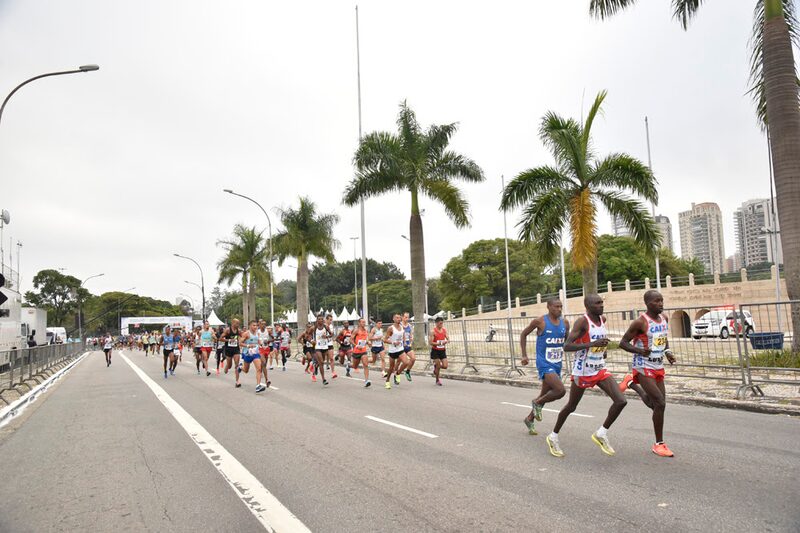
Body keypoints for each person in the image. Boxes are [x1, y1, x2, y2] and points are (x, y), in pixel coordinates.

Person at [546, 294, 627, 458]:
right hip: (582, 372)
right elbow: (567, 346)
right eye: (597, 303)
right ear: (588, 306)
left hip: (599, 369)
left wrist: (602, 350)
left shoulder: (602, 319)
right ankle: (553, 436)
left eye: (601, 303)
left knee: (621, 401)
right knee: (571, 407)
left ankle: (601, 433)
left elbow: (598, 343)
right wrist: (592, 344)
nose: (601, 306)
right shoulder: (582, 322)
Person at [618, 290, 676, 458]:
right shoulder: (640, 323)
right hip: (643, 366)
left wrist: (668, 352)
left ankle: (631, 384)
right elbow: (623, 343)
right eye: (657, 301)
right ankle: (659, 444)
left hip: (658, 365)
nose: (660, 303)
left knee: (655, 404)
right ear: (648, 303)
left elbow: (663, 338)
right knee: (660, 403)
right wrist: (640, 350)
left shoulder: (664, 318)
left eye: (662, 300)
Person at [519, 298, 570, 436]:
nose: (559, 309)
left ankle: (529, 419)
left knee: (545, 394)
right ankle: (536, 403)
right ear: (548, 307)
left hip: (557, 363)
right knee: (560, 390)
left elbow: (567, 343)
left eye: (560, 307)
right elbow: (523, 334)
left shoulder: (565, 323)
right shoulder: (540, 321)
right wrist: (524, 355)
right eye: (556, 307)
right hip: (544, 363)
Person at [239, 320, 268, 392]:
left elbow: (258, 341)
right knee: (246, 370)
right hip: (247, 354)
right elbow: (240, 343)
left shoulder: (257, 333)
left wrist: (262, 345)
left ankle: (258, 386)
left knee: (259, 368)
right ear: (250, 326)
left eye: (256, 325)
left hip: (255, 353)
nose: (255, 327)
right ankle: (240, 367)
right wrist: (248, 345)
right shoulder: (246, 334)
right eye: (253, 325)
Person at [383, 314, 408, 389]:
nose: (399, 319)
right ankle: (387, 381)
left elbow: (402, 334)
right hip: (393, 350)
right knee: (391, 368)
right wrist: (393, 342)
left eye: (400, 318)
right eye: (397, 318)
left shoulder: (401, 327)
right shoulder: (391, 328)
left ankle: (397, 373)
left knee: (406, 362)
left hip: (400, 348)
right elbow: (385, 340)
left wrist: (404, 341)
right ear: (393, 319)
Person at [428, 317, 449, 386]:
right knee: (438, 365)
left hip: (442, 350)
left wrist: (447, 340)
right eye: (440, 323)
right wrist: (439, 343)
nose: (441, 325)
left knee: (445, 366)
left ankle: (435, 367)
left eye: (442, 323)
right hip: (435, 351)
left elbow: (447, 337)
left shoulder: (444, 330)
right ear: (436, 323)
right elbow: (430, 342)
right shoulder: (433, 331)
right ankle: (437, 380)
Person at [351, 318, 371, 387]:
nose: (364, 323)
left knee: (365, 364)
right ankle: (348, 366)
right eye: (362, 322)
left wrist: (368, 342)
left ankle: (366, 380)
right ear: (359, 323)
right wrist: (356, 346)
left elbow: (367, 339)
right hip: (356, 351)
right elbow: (351, 340)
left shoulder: (366, 331)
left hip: (363, 350)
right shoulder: (356, 330)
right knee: (354, 366)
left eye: (364, 322)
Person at [313, 315, 332, 385]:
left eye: (321, 319)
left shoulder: (326, 327)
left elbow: (332, 334)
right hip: (318, 346)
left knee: (322, 362)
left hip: (325, 346)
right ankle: (323, 379)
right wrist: (313, 341)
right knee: (321, 362)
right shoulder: (315, 327)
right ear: (317, 320)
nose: (321, 320)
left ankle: (316, 366)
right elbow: (312, 335)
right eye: (319, 319)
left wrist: (326, 336)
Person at [401, 312, 416, 381]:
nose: (407, 319)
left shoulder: (409, 326)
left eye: (408, 317)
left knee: (413, 358)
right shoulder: (399, 325)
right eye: (405, 317)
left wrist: (411, 338)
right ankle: (397, 373)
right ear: (402, 317)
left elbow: (411, 335)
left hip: (407, 345)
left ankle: (407, 372)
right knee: (399, 362)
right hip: (400, 346)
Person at [324, 315, 337, 379]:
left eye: (331, 320)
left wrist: (332, 337)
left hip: (329, 344)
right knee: (321, 360)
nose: (331, 321)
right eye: (330, 320)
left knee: (331, 358)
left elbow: (332, 334)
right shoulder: (322, 326)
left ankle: (333, 372)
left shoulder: (331, 326)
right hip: (323, 345)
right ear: (326, 320)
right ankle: (314, 366)